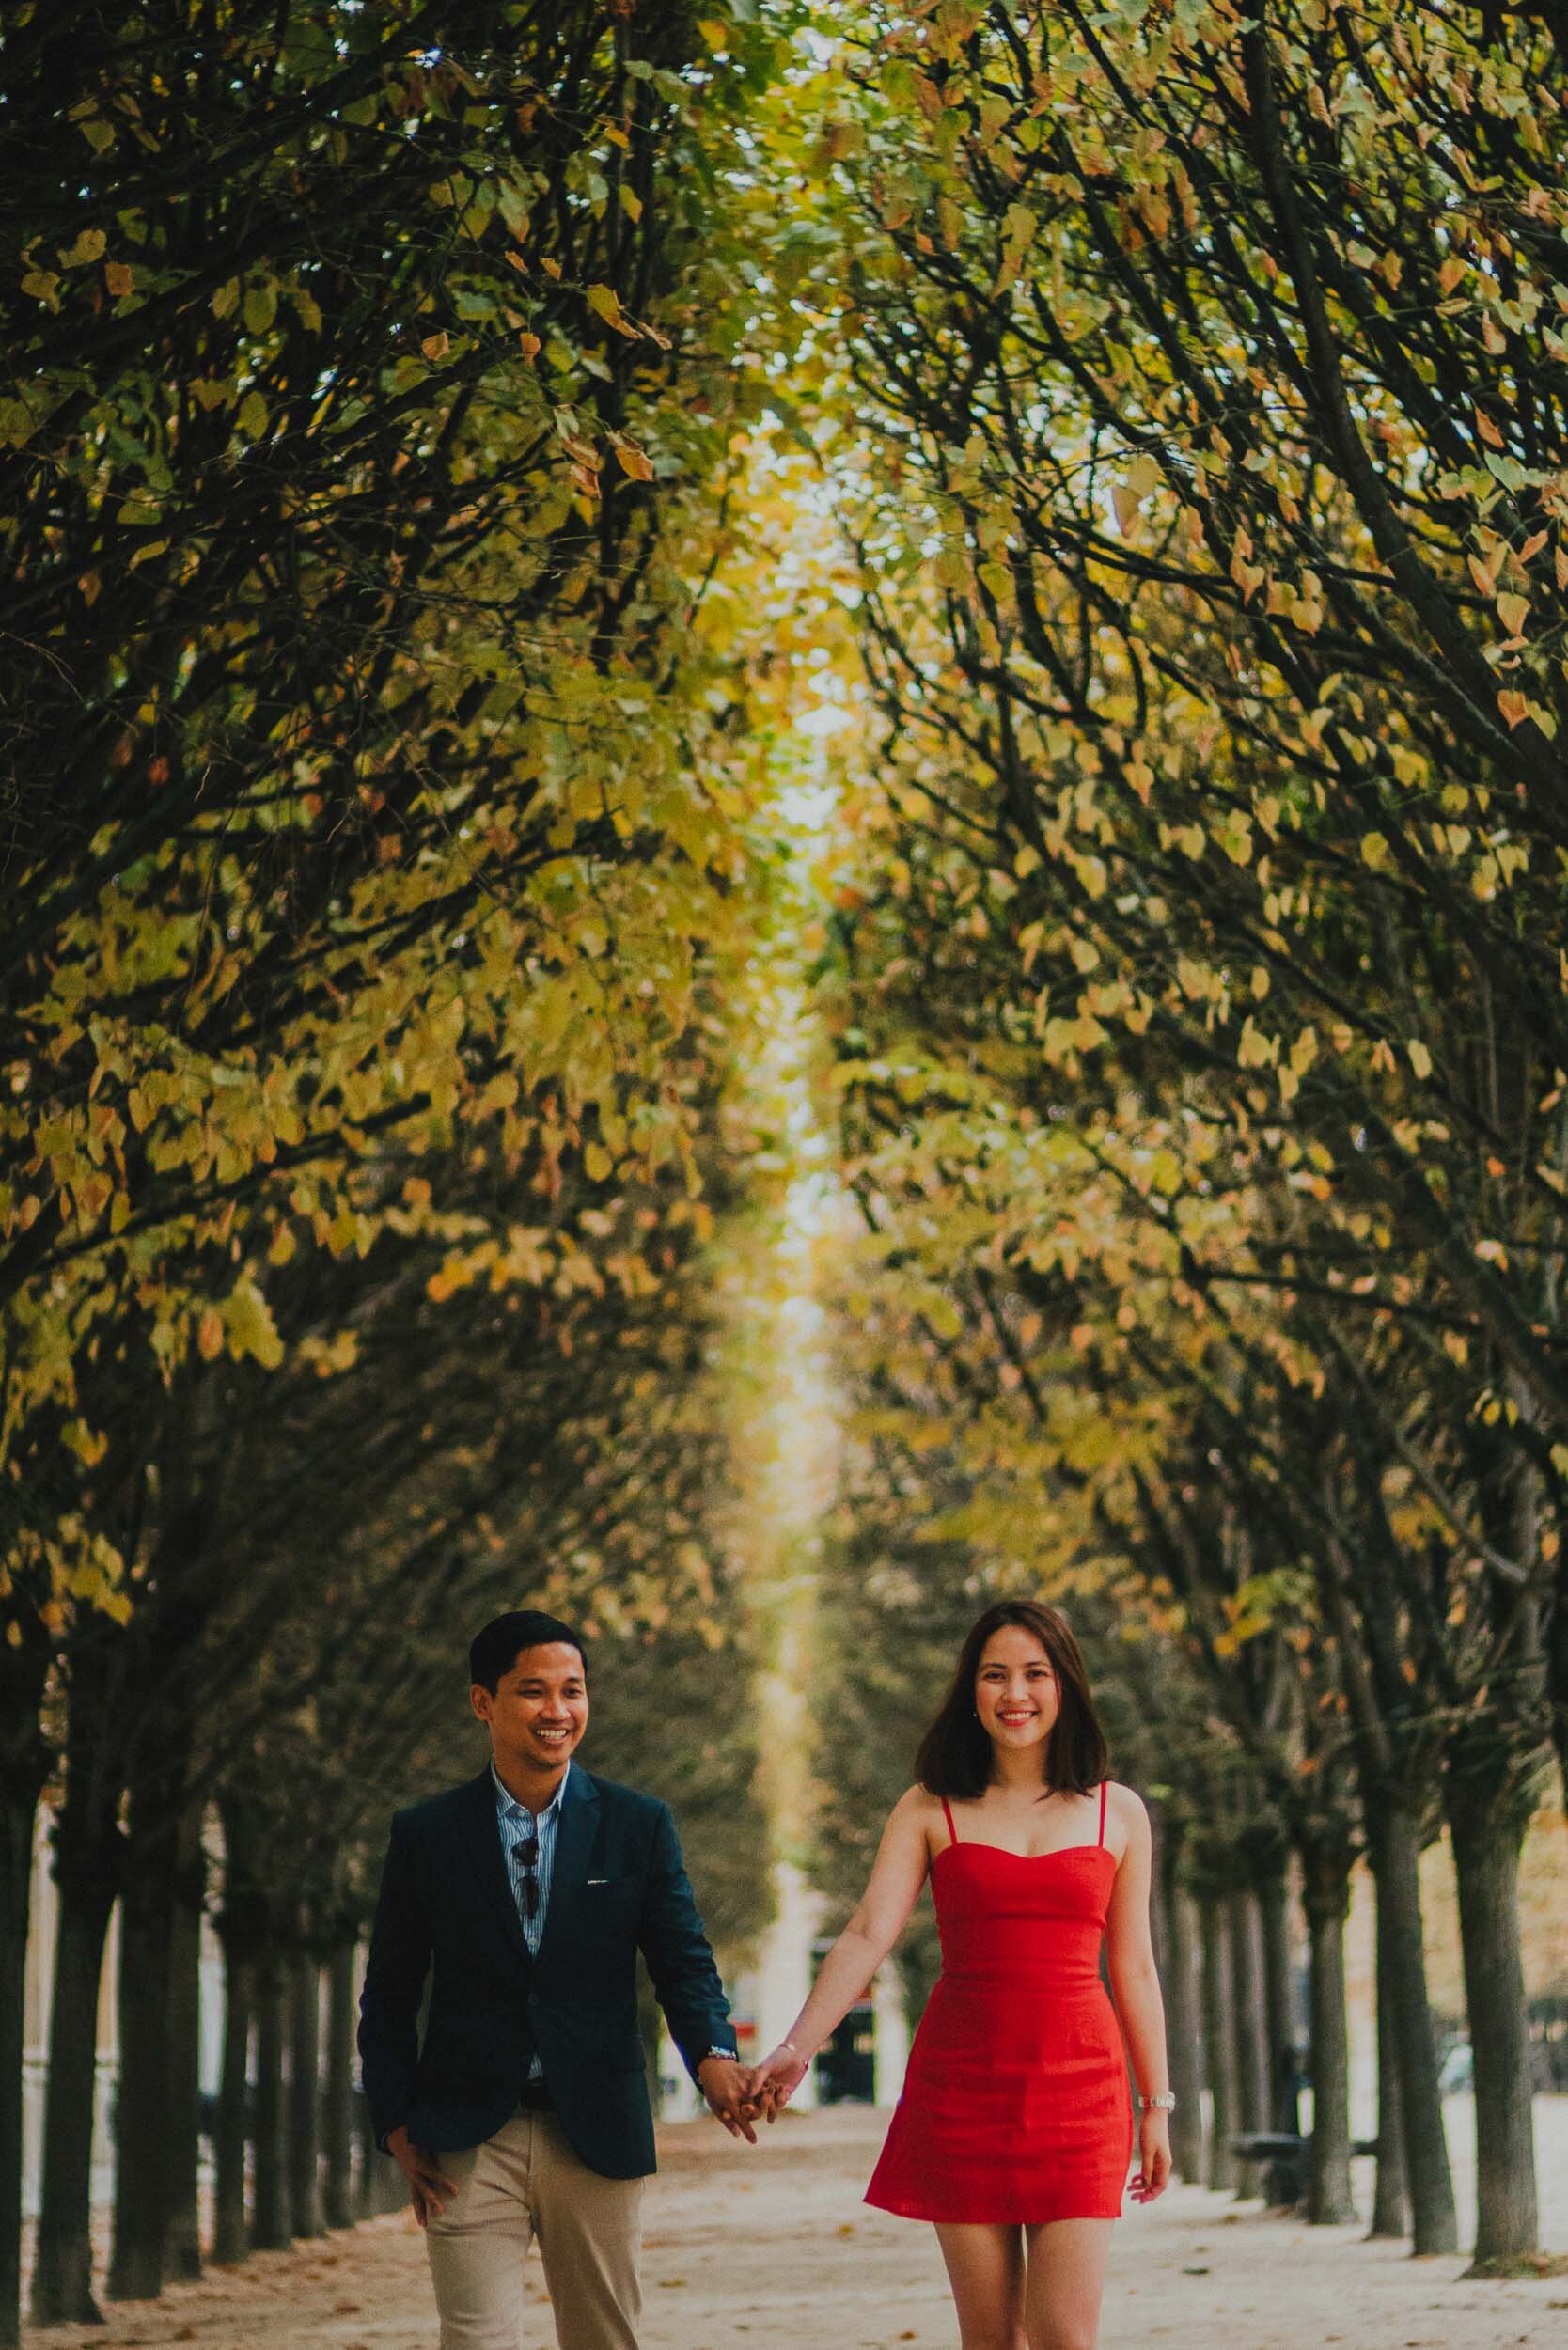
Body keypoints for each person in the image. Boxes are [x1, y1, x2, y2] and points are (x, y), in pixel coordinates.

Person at [745, 1598, 1173, 2350]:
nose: (1016, 1694)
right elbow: (868, 1934)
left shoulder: (1119, 1811)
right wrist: (796, 2047)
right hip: (963, 2086)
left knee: (1065, 2336)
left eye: (1035, 1674)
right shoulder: (929, 1807)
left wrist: (1156, 2103)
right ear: (970, 1692)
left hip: (1082, 2086)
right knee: (991, 2338)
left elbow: (1133, 1966)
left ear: (1064, 1686)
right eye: (995, 1675)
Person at [358, 1608, 758, 2350]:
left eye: (572, 1691)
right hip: (469, 2134)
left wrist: (714, 2055)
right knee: (475, 2341)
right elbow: (389, 1990)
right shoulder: (427, 1835)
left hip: (596, 2127)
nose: (558, 1711)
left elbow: (682, 1957)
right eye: (533, 1691)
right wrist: (394, 2121)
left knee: (604, 2339)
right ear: (484, 1702)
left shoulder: (637, 1825)